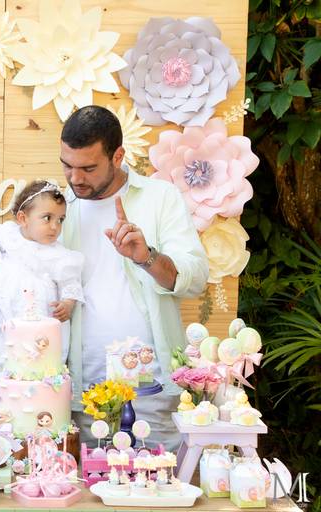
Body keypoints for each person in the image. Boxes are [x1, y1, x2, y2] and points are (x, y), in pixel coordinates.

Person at [59, 106, 209, 449]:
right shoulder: (59, 209)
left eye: (88, 168)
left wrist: (147, 257)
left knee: (156, 495)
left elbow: (196, 277)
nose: (75, 178)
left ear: (118, 156)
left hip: (151, 392)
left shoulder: (160, 198)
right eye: (67, 165)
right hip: (82, 394)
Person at [0, 180, 84, 369]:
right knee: (12, 358)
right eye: (47, 218)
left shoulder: (61, 256)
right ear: (23, 219)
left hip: (44, 319)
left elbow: (71, 284)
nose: (55, 226)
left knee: (43, 363)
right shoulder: (8, 240)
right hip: (14, 316)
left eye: (60, 219)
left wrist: (67, 303)